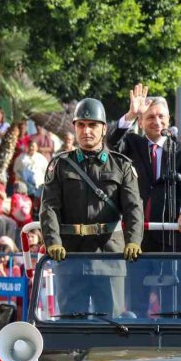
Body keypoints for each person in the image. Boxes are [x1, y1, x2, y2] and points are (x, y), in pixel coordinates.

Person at [39, 97, 144, 316]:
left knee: (111, 328)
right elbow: (49, 207)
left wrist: (134, 241)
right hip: (70, 256)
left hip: (109, 257)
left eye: (93, 125)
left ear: (104, 128)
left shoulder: (121, 165)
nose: (87, 131)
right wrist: (53, 242)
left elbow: (134, 207)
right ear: (74, 128)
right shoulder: (60, 165)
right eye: (81, 125)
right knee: (70, 325)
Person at [110, 84, 181, 251]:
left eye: (161, 116)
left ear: (168, 119)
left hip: (171, 233)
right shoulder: (132, 144)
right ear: (141, 123)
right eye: (150, 117)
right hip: (136, 235)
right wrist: (131, 114)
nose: (157, 122)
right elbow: (112, 142)